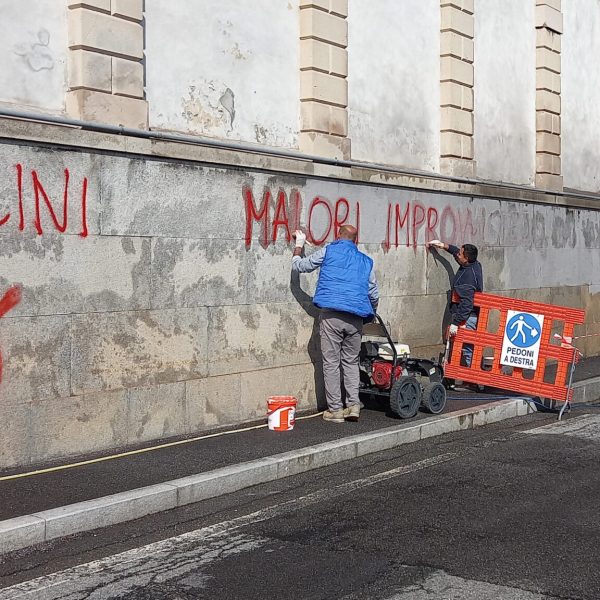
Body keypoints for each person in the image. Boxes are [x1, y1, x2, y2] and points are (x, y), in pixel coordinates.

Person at [292, 225, 379, 423]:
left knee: (331, 363)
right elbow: (374, 293)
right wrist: (372, 313)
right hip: (356, 318)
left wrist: (298, 247)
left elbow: (301, 266)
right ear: (355, 240)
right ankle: (354, 405)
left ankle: (335, 410)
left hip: (332, 315)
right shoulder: (366, 261)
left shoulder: (329, 251)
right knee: (351, 362)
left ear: (339, 236)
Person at [426, 239, 483, 369]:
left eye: (460, 254)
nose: (458, 254)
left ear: (466, 258)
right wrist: (443, 246)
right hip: (467, 315)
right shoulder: (474, 264)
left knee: (466, 347)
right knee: (463, 346)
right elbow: (456, 253)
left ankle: (473, 378)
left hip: (467, 317)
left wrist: (456, 323)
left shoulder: (468, 279)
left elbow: (467, 304)